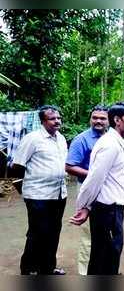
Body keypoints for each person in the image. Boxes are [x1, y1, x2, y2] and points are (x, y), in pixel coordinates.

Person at [70, 102, 124, 275]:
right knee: (105, 257)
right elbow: (94, 179)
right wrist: (84, 206)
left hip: (112, 210)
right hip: (106, 210)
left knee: (109, 254)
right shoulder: (110, 145)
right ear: (117, 120)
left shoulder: (117, 143)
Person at [12, 105, 68, 275]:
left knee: (53, 232)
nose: (57, 121)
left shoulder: (61, 138)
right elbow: (17, 166)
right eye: (52, 118)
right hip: (37, 195)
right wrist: (27, 191)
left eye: (58, 118)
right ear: (43, 121)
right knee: (38, 233)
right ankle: (28, 269)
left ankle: (48, 268)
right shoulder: (33, 139)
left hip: (59, 194)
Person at [65, 105, 108, 275]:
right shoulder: (81, 139)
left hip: (107, 191)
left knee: (105, 232)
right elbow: (70, 166)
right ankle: (85, 274)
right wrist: (95, 175)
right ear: (90, 119)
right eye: (95, 117)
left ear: (109, 120)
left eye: (102, 118)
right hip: (87, 189)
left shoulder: (112, 138)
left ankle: (104, 270)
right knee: (88, 234)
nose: (98, 121)